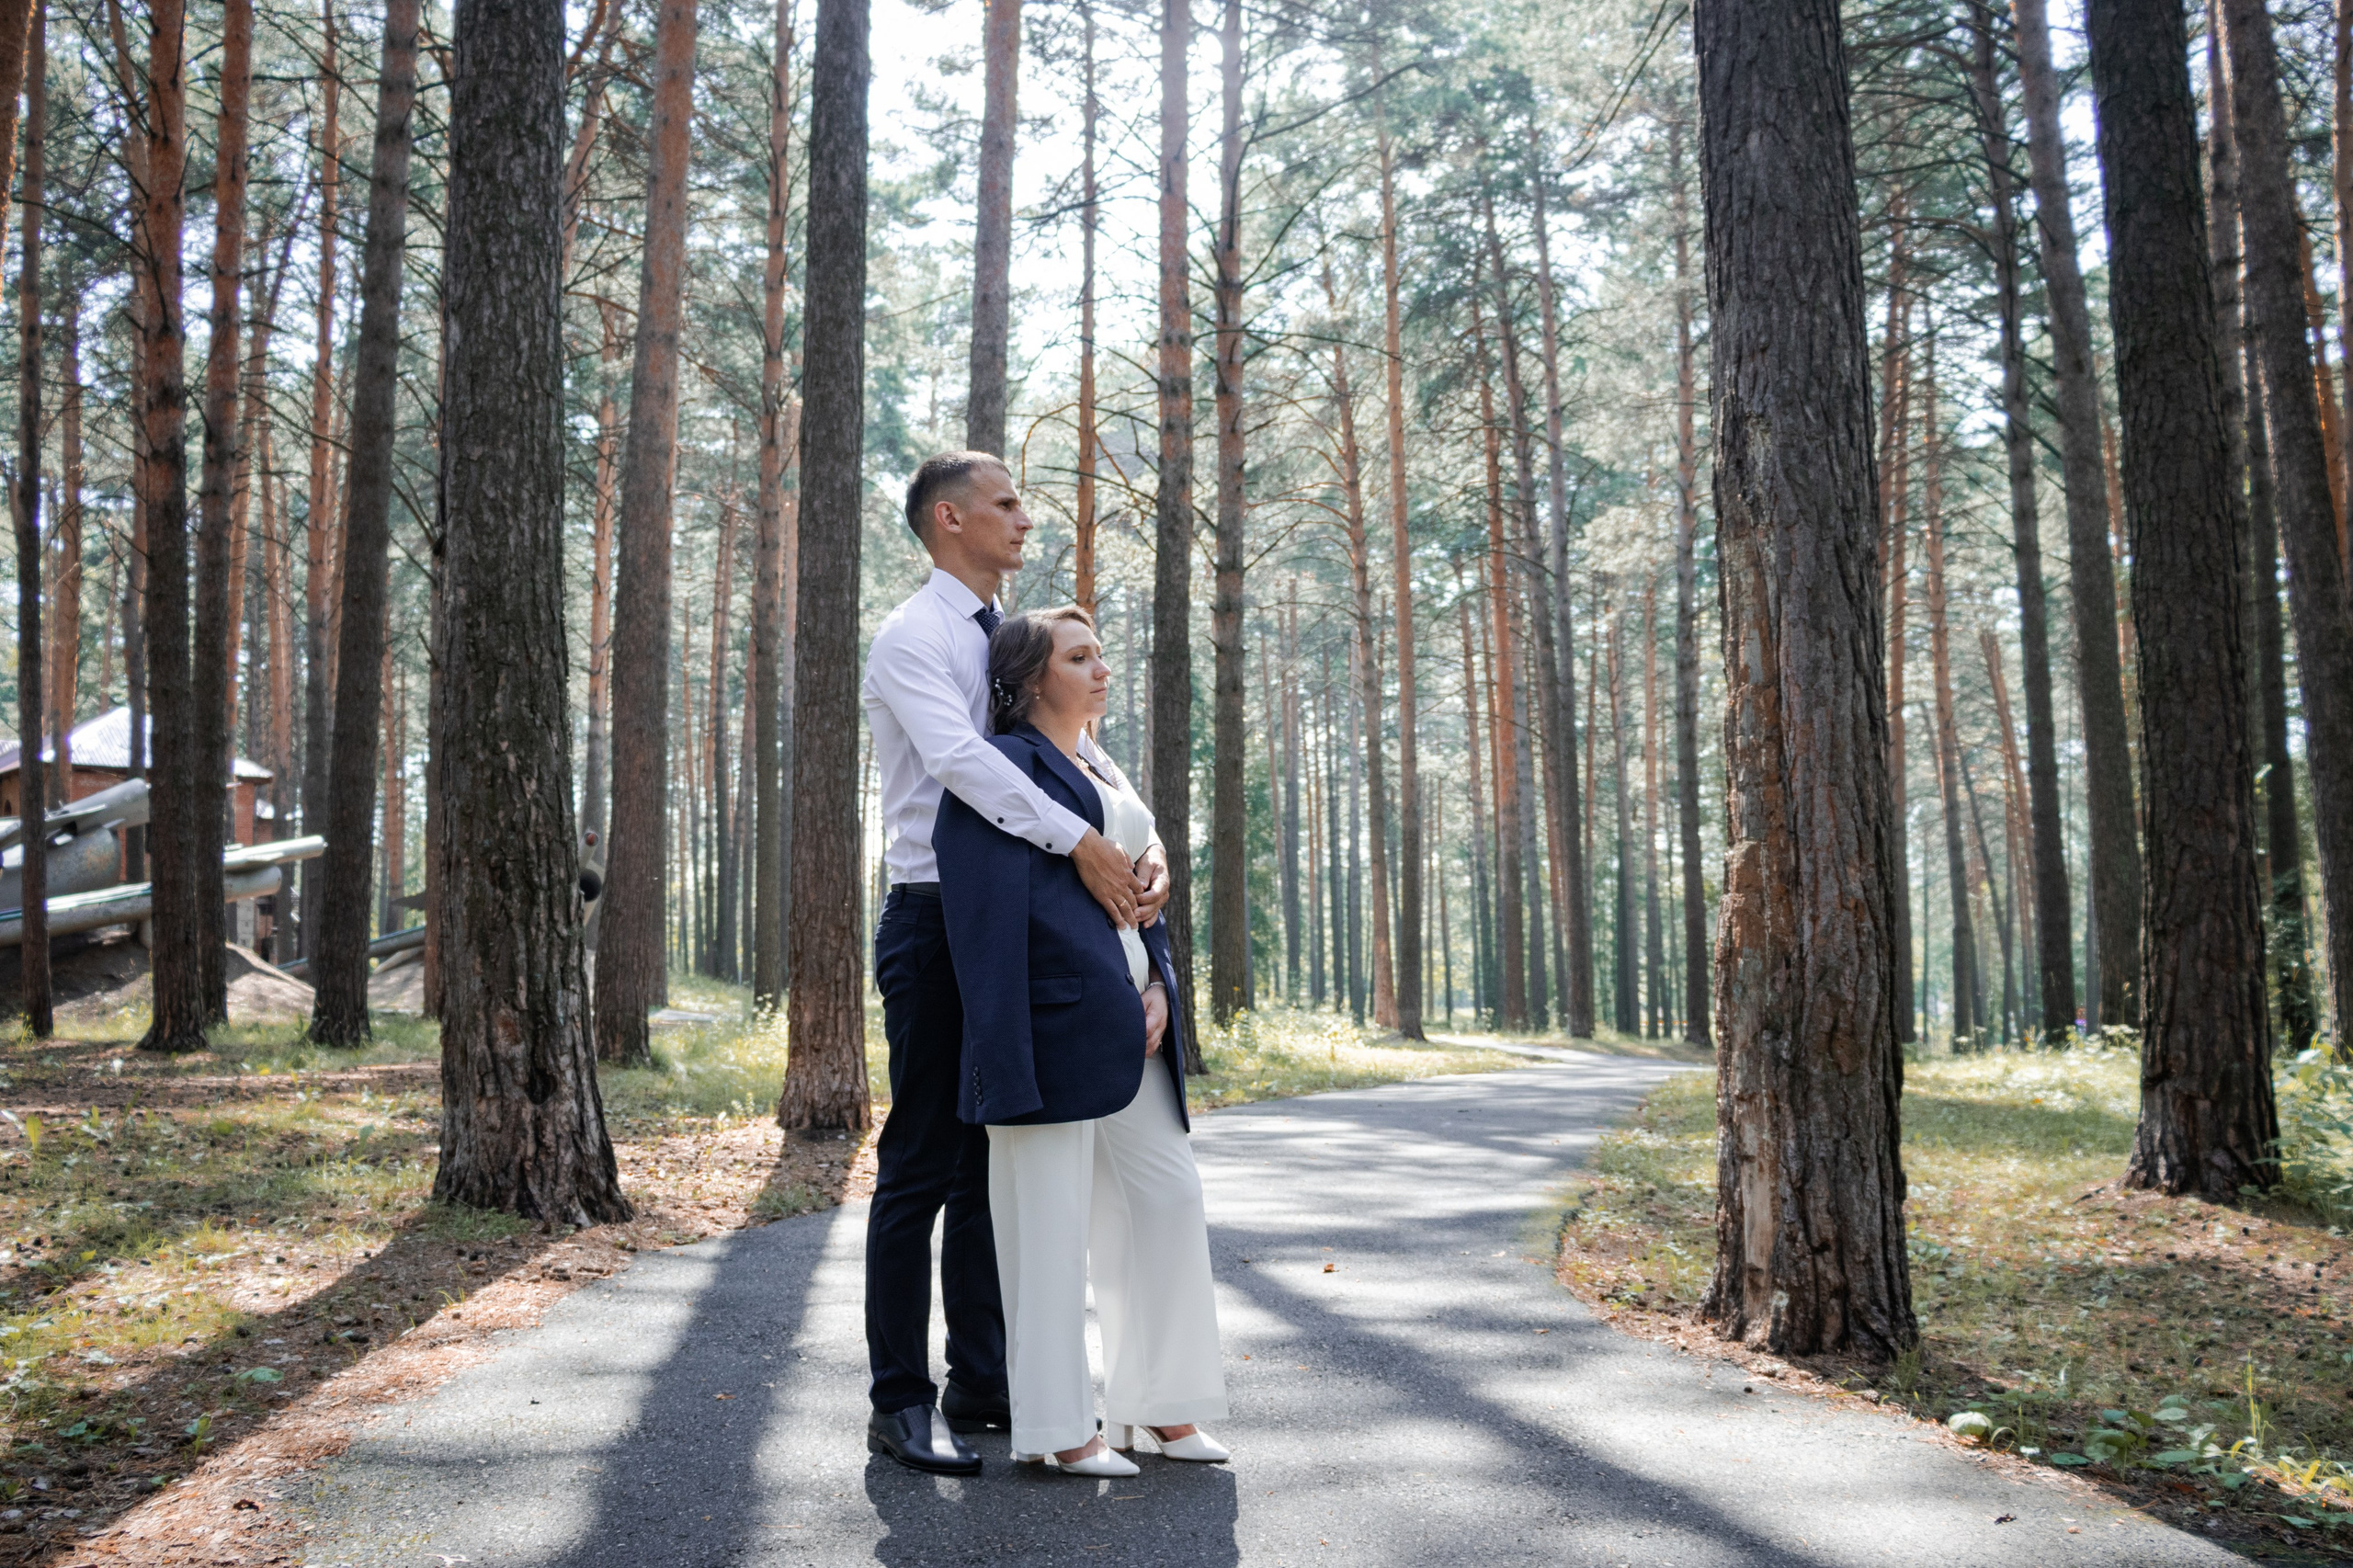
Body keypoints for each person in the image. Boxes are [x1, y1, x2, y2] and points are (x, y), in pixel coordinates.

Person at [860, 453, 1170, 1476]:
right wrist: (1080, 840)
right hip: (938, 917)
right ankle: (901, 1400)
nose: (1023, 518)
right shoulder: (912, 637)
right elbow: (960, 759)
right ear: (949, 519)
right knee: (923, 1161)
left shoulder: (1015, 637)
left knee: (1001, 1144)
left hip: (1029, 918)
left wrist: (1136, 837)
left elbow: (1070, 743)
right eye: (1005, 503)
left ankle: (983, 1381)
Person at [935, 607, 1228, 1478]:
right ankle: (1061, 1429)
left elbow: (1140, 896)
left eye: (1101, 653)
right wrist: (1003, 1052)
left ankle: (1162, 1408)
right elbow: (987, 928)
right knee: (1047, 1228)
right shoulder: (1002, 769)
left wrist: (1158, 989)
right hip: (1047, 1028)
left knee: (1167, 1203)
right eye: (1079, 656)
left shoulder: (1103, 763)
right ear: (1029, 679)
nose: (1102, 668)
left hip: (1135, 1023)